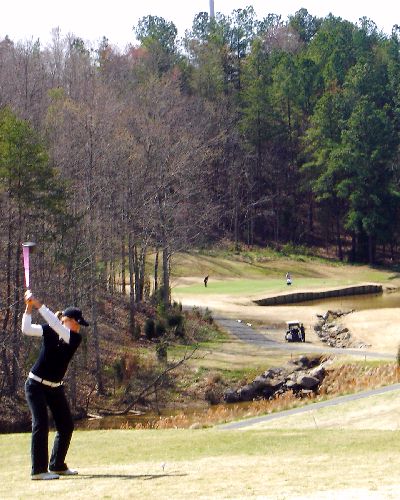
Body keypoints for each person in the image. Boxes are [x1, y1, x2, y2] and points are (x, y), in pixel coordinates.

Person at [22, 291, 89, 480]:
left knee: (66, 425)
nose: (78, 328)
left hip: (55, 387)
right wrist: (29, 306)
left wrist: (39, 304)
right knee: (41, 424)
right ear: (68, 320)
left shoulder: (74, 338)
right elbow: (26, 329)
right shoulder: (51, 330)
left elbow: (55, 324)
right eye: (77, 323)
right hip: (35, 384)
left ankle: (57, 464)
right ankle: (38, 471)